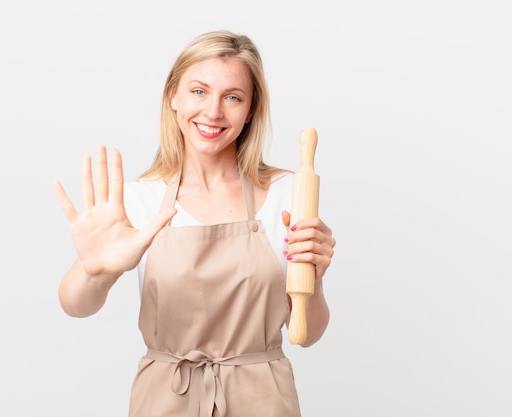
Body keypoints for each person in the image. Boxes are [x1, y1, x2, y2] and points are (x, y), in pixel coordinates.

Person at [53, 30, 336, 417]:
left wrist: (314, 278)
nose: (214, 112)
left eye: (233, 97)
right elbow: (75, 304)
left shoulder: (289, 195)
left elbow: (308, 333)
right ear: (173, 95)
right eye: (199, 91)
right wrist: (97, 272)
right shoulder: (142, 199)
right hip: (165, 400)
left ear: (251, 109)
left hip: (263, 401)